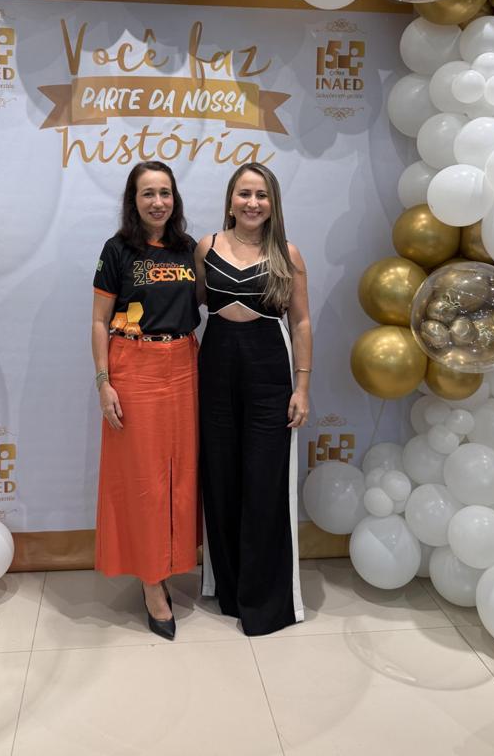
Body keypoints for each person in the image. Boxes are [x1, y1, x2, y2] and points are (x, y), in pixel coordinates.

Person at [195, 162, 311, 636]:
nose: (252, 203)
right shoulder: (207, 247)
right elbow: (192, 305)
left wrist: (302, 386)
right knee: (221, 477)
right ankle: (229, 590)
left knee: (264, 482)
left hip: (269, 367)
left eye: (261, 195)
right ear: (230, 201)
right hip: (216, 364)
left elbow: (300, 322)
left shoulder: (287, 253)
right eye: (244, 194)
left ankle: (265, 602)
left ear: (272, 204)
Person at [92, 161, 200, 640]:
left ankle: (171, 562)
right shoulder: (117, 250)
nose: (158, 202)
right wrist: (103, 382)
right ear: (132, 201)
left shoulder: (189, 249)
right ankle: (151, 582)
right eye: (148, 193)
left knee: (180, 476)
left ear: (175, 199)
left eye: (165, 193)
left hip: (184, 364)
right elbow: (99, 321)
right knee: (143, 480)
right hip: (133, 365)